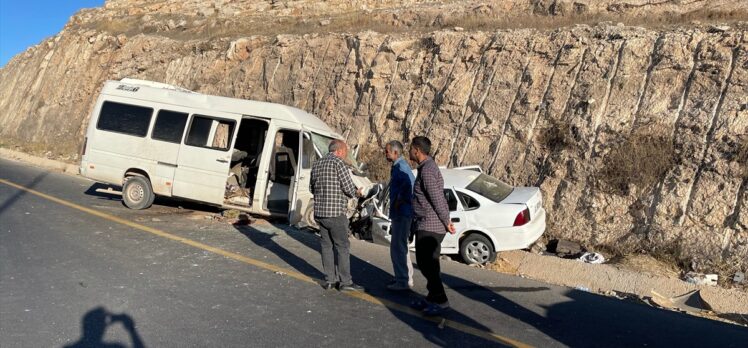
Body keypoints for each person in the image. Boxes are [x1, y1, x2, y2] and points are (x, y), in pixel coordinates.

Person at [408, 136, 456, 316]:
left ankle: (441, 301)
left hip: (431, 225)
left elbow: (437, 198)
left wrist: (447, 221)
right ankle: (432, 296)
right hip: (427, 223)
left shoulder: (427, 170)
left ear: (417, 150)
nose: (409, 151)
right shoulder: (427, 167)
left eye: (411, 148)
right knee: (427, 262)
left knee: (428, 264)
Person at [310, 139, 363, 291]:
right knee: (342, 247)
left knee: (326, 247)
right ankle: (345, 282)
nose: (346, 155)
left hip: (320, 213)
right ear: (339, 151)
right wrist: (357, 192)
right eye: (345, 152)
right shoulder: (339, 163)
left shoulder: (317, 163)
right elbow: (348, 188)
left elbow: (311, 187)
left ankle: (329, 281)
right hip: (335, 214)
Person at [384, 140, 415, 291]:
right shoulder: (399, 166)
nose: (386, 154)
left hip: (402, 213)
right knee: (401, 246)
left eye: (387, 151)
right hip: (401, 212)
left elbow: (410, 188)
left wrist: (399, 202)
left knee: (397, 247)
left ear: (395, 152)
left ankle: (402, 281)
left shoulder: (401, 167)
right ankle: (405, 277)